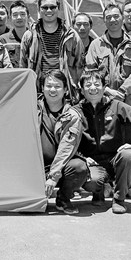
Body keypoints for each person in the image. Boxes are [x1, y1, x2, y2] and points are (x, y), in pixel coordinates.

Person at [77, 70, 131, 214]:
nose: (93, 88)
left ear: (104, 88)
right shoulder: (77, 111)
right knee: (91, 179)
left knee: (128, 155)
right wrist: (82, 158)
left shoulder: (116, 106)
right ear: (82, 90)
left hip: (115, 160)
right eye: (88, 85)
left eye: (97, 84)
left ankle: (119, 199)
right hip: (93, 163)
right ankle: (98, 192)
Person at [39, 70, 88, 215]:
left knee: (79, 168)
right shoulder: (32, 109)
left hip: (60, 169)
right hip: (36, 167)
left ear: (65, 89)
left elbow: (67, 148)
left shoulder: (72, 116)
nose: (52, 90)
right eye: (49, 86)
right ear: (42, 88)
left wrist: (53, 176)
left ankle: (63, 198)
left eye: (57, 86)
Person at [85, 2, 131, 111]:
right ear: (104, 20)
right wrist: (107, 90)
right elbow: (90, 72)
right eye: (108, 17)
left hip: (129, 103)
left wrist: (122, 91)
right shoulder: (96, 45)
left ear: (122, 17)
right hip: (103, 101)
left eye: (116, 16)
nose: (112, 20)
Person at [20, 0, 85, 96]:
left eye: (53, 7)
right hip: (37, 91)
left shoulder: (71, 35)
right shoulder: (29, 36)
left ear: (58, 8)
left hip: (65, 92)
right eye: (45, 7)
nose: (49, 10)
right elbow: (23, 66)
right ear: (39, 10)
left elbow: (80, 65)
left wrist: (77, 90)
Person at [0, 0, 30, 67]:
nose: (19, 17)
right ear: (10, 17)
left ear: (28, 16)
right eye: (15, 15)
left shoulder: (35, 38)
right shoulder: (2, 40)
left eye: (22, 14)